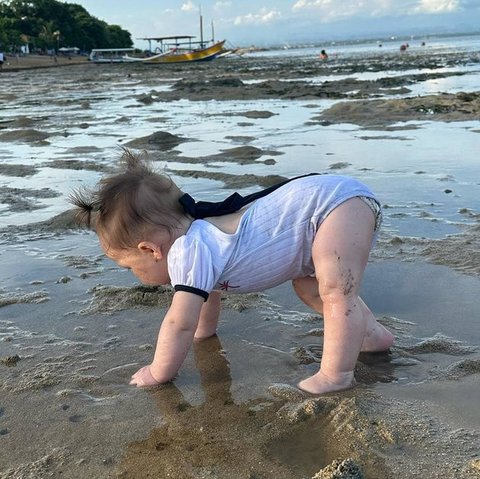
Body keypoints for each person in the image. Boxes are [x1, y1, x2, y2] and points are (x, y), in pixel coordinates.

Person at [70, 150, 394, 395]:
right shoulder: (200, 244)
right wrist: (204, 334)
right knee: (309, 287)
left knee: (336, 289)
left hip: (333, 205)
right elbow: (203, 305)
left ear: (150, 250)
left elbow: (179, 322)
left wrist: (158, 372)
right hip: (329, 204)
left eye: (129, 268)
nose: (133, 276)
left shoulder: (187, 249)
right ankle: (372, 336)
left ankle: (337, 374)